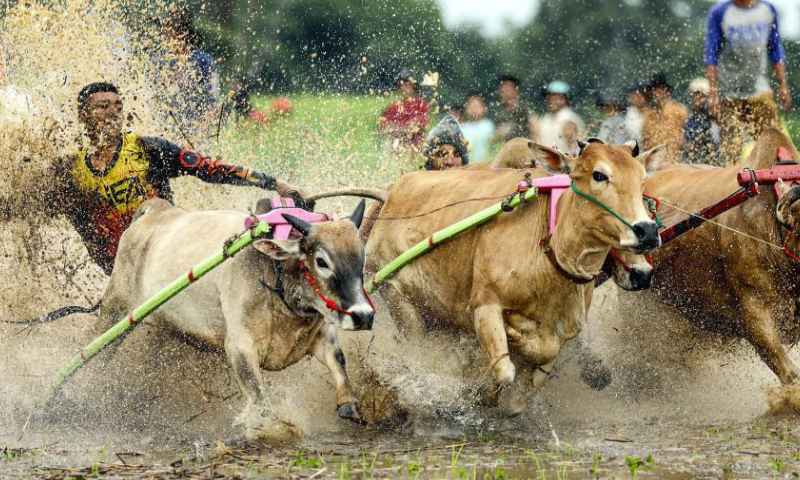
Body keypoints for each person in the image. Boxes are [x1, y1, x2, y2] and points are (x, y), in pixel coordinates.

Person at [54, 82, 305, 274]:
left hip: (164, 259)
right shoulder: (70, 172)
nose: (113, 113)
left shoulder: (149, 149)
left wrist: (274, 183)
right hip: (120, 271)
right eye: (102, 107)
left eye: (118, 107)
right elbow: (29, 205)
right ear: (83, 116)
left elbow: (210, 168)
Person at [705, 0, 792, 164]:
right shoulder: (720, 13)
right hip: (729, 94)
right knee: (731, 154)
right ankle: (732, 186)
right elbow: (711, 56)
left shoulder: (767, 10)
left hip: (759, 92)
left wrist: (783, 85)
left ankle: (780, 186)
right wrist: (714, 94)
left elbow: (776, 50)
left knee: (776, 146)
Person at [157, 5, 220, 138]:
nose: (163, 34)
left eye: (168, 29)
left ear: (181, 32)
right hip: (165, 130)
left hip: (194, 132)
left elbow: (212, 101)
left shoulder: (203, 61)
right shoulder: (159, 62)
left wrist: (201, 131)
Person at [378, 69, 429, 154]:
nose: (407, 87)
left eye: (410, 84)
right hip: (397, 143)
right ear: (399, 87)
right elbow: (384, 127)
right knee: (396, 143)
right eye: (405, 84)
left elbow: (419, 126)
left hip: (415, 143)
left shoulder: (421, 105)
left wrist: (398, 128)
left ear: (414, 86)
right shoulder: (393, 106)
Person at [641, 73, 689, 160]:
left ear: (667, 91)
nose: (657, 93)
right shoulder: (648, 117)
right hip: (656, 167)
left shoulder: (679, 111)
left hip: (676, 164)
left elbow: (688, 137)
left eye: (660, 89)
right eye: (654, 90)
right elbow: (645, 146)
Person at [536, 80, 584, 153]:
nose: (552, 101)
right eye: (550, 97)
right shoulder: (545, 118)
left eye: (556, 98)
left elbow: (574, 147)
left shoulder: (570, 119)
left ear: (565, 99)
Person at [682, 78, 721, 165]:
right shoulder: (690, 117)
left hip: (710, 162)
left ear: (707, 97)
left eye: (701, 95)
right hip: (692, 162)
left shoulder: (712, 116)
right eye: (695, 95)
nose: (697, 98)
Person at [493, 75, 530, 141]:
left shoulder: (525, 111)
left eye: (508, 88)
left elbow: (534, 130)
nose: (506, 92)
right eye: (503, 89)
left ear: (516, 90)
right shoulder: (500, 115)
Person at [460, 92, 495, 162]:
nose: (474, 109)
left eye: (477, 106)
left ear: (485, 108)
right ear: (466, 109)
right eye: (471, 106)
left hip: (486, 163)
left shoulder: (489, 125)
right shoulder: (463, 128)